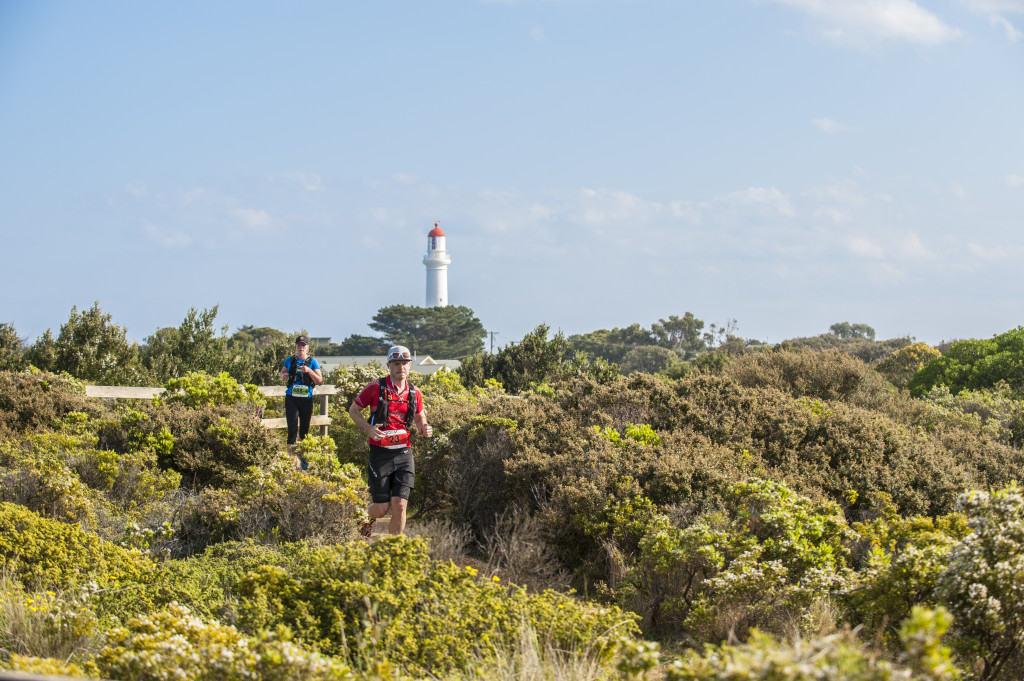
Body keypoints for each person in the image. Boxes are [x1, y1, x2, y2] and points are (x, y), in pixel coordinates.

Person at [348, 345, 432, 536]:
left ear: (410, 366)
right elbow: (353, 411)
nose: (400, 367)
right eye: (396, 363)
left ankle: (393, 550)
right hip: (380, 454)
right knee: (381, 508)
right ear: (388, 365)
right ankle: (357, 519)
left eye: (404, 363)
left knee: (401, 505)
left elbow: (420, 417)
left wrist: (424, 428)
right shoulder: (375, 387)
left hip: (404, 453)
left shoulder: (414, 392)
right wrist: (369, 429)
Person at [279, 335, 323, 468]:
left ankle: (303, 461)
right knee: (292, 429)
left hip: (306, 399)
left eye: (303, 345)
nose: (301, 348)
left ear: (307, 347)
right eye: (299, 345)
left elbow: (319, 381)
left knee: (304, 430)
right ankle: (292, 462)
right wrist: (283, 375)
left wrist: (309, 371)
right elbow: (281, 373)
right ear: (296, 346)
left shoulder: (313, 361)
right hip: (292, 398)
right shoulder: (289, 360)